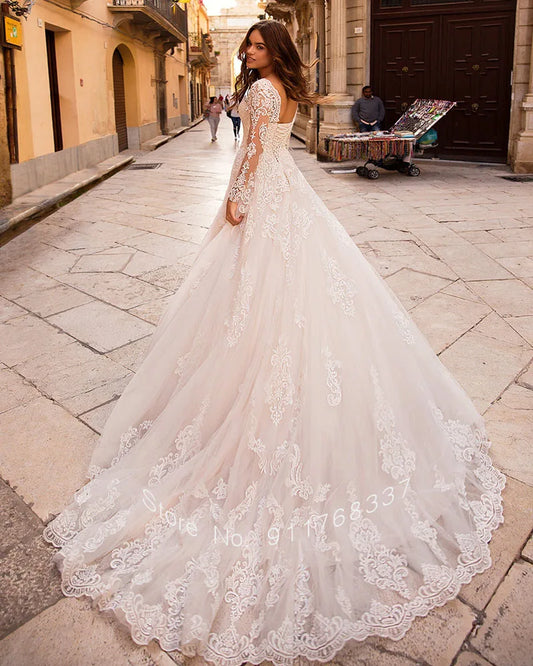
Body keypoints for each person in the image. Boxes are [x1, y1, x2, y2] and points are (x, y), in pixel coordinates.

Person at [43, 19, 505, 666]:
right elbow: (272, 143)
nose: (247, 52)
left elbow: (252, 152)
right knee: (298, 301)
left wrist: (233, 201)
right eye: (248, 45)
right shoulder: (287, 88)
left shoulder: (261, 90)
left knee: (246, 307)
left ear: (273, 52)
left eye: (257, 46)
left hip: (265, 196)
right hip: (293, 200)